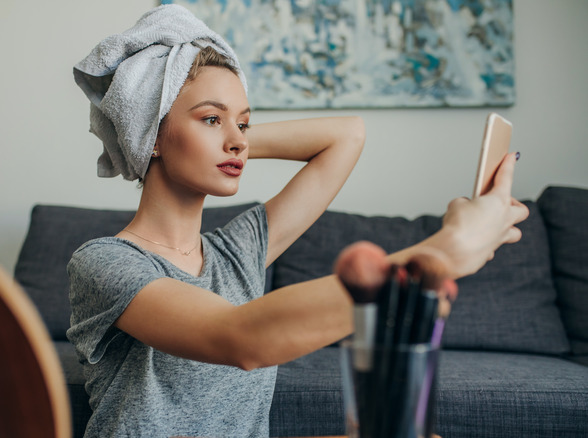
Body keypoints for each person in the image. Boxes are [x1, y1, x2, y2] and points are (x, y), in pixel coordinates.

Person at [67, 5, 528, 437]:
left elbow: (348, 135)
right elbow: (241, 338)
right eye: (210, 119)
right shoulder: (104, 264)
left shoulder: (237, 252)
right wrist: (447, 249)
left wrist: (225, 136)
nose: (236, 141)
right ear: (152, 137)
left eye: (244, 124)